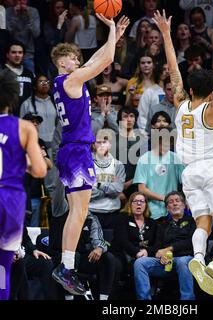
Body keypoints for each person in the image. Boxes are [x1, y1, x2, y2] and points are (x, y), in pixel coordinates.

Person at [152, 10, 213, 296]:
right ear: (210, 93)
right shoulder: (211, 110)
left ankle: (196, 258)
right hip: (209, 167)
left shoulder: (180, 103)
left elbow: (172, 70)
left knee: (202, 220)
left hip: (189, 173)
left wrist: (167, 34)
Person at [50, 14, 130, 295]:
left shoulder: (64, 82)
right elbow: (104, 61)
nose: (77, 61)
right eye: (73, 58)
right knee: (81, 211)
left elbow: (97, 59)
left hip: (72, 151)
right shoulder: (69, 81)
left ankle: (67, 266)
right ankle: (66, 267)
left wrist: (114, 38)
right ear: (63, 62)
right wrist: (109, 30)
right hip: (76, 151)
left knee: (79, 211)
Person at [0, 69, 47, 300]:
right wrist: (23, 162)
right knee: (4, 268)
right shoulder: (24, 127)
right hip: (11, 200)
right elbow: (40, 171)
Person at [133, 191, 196, 300]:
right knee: (140, 263)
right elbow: (157, 245)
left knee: (182, 261)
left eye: (177, 201)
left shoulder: (192, 221)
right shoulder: (162, 225)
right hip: (166, 262)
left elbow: (192, 241)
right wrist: (160, 254)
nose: (175, 204)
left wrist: (169, 249)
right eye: (171, 202)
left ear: (184, 205)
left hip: (186, 259)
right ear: (167, 208)